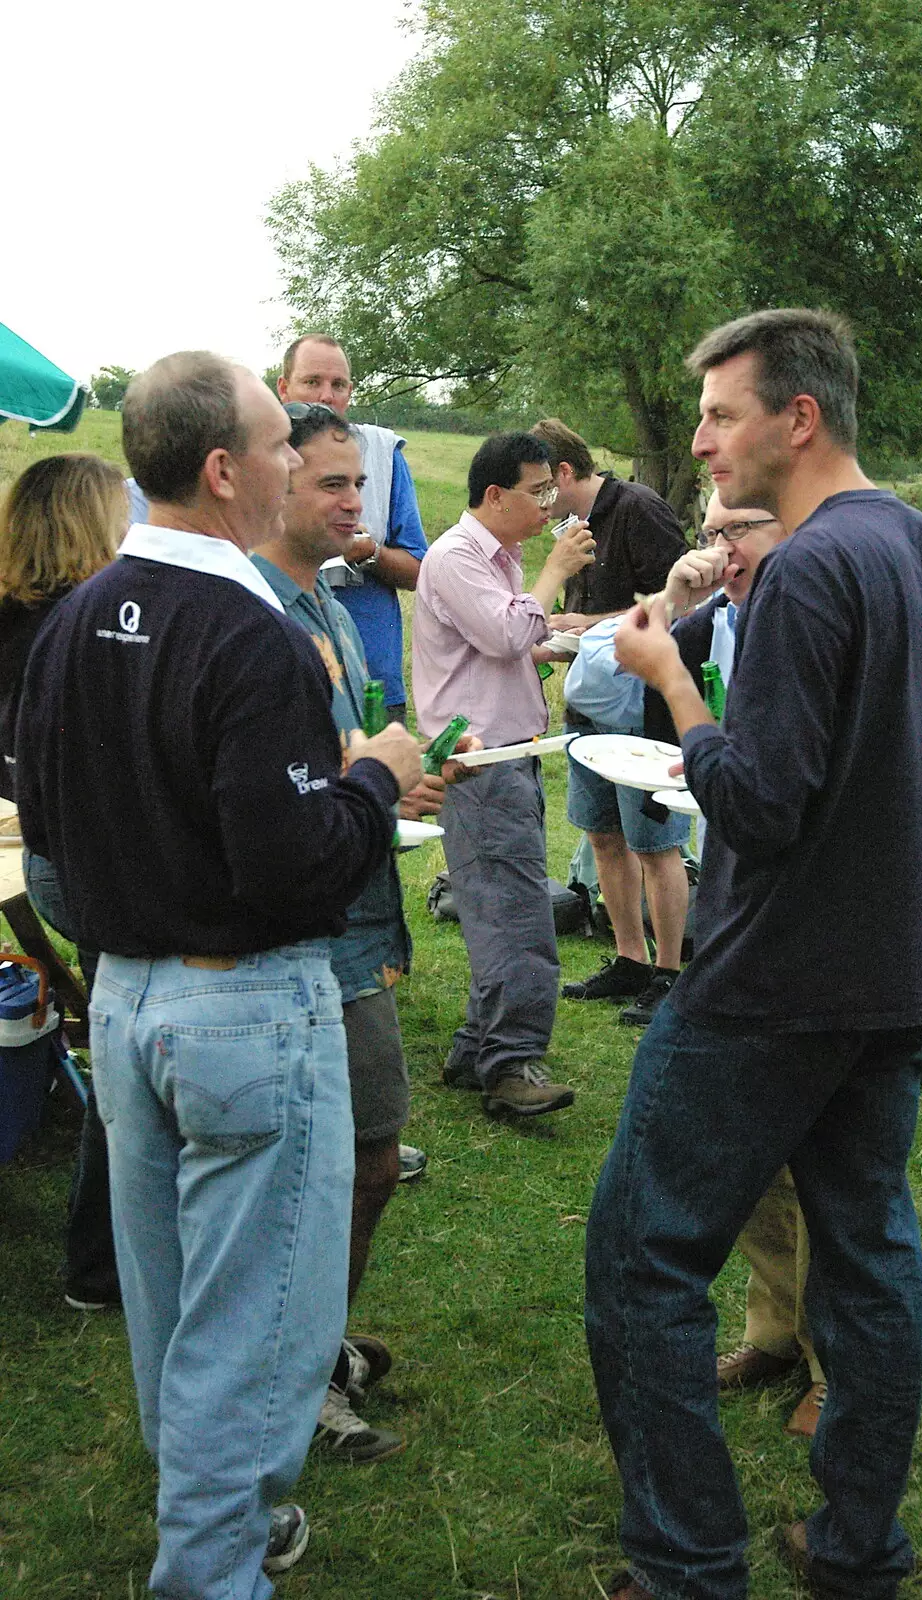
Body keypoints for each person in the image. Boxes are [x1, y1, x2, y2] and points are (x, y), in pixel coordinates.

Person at [585, 309, 922, 1600]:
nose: (705, 441)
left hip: (771, 985)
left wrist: (674, 684)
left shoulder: (814, 569)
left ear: (799, 418)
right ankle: (856, 1554)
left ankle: (684, 1566)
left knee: (642, 1255)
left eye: (722, 414)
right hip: (894, 981)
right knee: (870, 1256)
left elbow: (760, 801)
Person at [16, 351, 425, 1597]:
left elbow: (50, 838)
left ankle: (224, 1518)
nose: (302, 465)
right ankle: (210, 1566)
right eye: (282, 443)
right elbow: (294, 871)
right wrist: (375, 777)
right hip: (244, 1003)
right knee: (252, 1330)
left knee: (176, 1302)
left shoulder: (75, 615)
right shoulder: (251, 633)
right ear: (225, 468)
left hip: (131, 999)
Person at [251, 400, 477, 1460]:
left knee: (365, 1155)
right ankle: (296, 1377)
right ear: (269, 482)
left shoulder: (331, 599)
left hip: (354, 914)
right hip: (301, 936)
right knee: (337, 1161)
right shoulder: (254, 609)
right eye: (333, 483)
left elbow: (349, 758)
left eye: (362, 484)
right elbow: (265, 790)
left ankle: (310, 1343)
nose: (357, 503)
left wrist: (400, 779)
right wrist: (367, 775)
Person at [647, 491, 827, 1439]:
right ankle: (777, 1331)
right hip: (739, 909)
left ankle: (836, 1366)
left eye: (738, 529)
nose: (721, 549)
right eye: (710, 531)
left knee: (828, 1169)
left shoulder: (817, 604)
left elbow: (788, 796)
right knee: (753, 1154)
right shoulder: (732, 615)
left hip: (810, 932)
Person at [412, 431, 595, 1116]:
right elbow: (502, 635)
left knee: (496, 906)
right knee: (517, 917)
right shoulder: (459, 557)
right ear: (495, 494)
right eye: (538, 490)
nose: (551, 504)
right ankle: (511, 1064)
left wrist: (553, 641)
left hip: (504, 755)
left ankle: (475, 1048)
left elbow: (503, 645)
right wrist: (554, 574)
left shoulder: (499, 558)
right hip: (481, 762)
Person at [0, 454, 126, 1310]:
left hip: (39, 853)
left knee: (117, 1042)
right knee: (128, 1060)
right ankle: (98, 1263)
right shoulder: (82, 631)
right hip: (88, 859)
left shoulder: (12, 617)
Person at [530, 418, 691, 1026]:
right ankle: (629, 957)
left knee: (655, 843)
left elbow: (680, 602)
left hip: (644, 708)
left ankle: (671, 970)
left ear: (565, 474)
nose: (539, 503)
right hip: (590, 704)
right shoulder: (575, 526)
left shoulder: (640, 510)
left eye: (542, 487)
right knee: (602, 834)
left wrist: (583, 624)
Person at [277, 333, 427, 723]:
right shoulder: (252, 460)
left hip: (372, 677)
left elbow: (419, 571)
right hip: (288, 678)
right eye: (312, 382)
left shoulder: (382, 454)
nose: (326, 396)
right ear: (283, 388)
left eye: (338, 384)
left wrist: (368, 552)